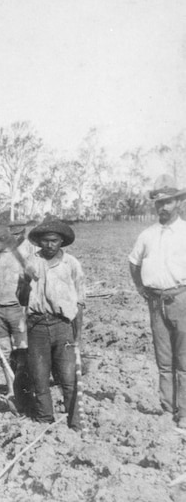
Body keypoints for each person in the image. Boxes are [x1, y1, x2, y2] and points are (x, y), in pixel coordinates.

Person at [128, 175, 186, 427]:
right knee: (164, 360)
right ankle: (166, 408)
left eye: (169, 203)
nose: (163, 207)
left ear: (178, 203)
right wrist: (141, 288)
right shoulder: (147, 235)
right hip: (155, 302)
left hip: (181, 299)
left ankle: (183, 412)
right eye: (159, 204)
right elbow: (133, 262)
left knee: (183, 360)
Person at [23, 219, 85, 430]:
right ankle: (44, 421)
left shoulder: (71, 264)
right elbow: (22, 298)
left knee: (68, 378)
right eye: (46, 241)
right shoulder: (30, 262)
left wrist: (77, 334)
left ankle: (75, 424)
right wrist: (24, 281)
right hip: (37, 325)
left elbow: (79, 301)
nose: (50, 245)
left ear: (62, 241)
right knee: (40, 377)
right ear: (39, 242)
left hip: (62, 325)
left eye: (54, 241)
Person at [0, 223, 33, 414]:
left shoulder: (20, 259)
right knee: (3, 352)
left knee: (22, 352)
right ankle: (10, 388)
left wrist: (28, 309)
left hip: (16, 310)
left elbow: (29, 286)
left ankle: (24, 389)